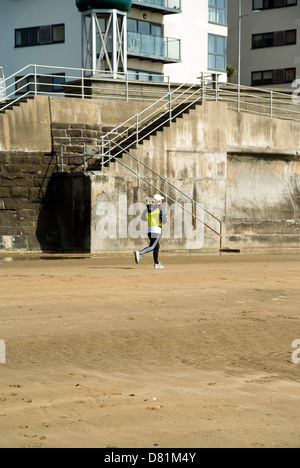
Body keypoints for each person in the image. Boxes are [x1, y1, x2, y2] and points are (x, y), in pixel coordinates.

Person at [134, 193, 168, 269]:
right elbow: (164, 220)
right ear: (159, 201)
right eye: (161, 200)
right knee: (152, 246)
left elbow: (143, 218)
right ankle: (139, 253)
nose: (162, 201)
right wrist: (165, 217)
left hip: (149, 230)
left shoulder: (148, 208)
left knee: (157, 246)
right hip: (156, 230)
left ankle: (156, 263)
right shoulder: (160, 208)